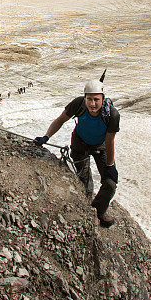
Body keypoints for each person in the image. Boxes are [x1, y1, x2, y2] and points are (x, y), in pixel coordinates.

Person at [33, 79, 119, 227]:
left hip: (101, 146)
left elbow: (110, 140)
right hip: (80, 144)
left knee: (110, 183)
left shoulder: (112, 115)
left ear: (103, 99)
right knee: (84, 178)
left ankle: (98, 211)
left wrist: (110, 165)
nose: (92, 104)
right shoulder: (78, 104)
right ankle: (86, 203)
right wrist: (46, 136)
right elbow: (60, 120)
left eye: (96, 100)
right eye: (89, 99)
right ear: (84, 98)